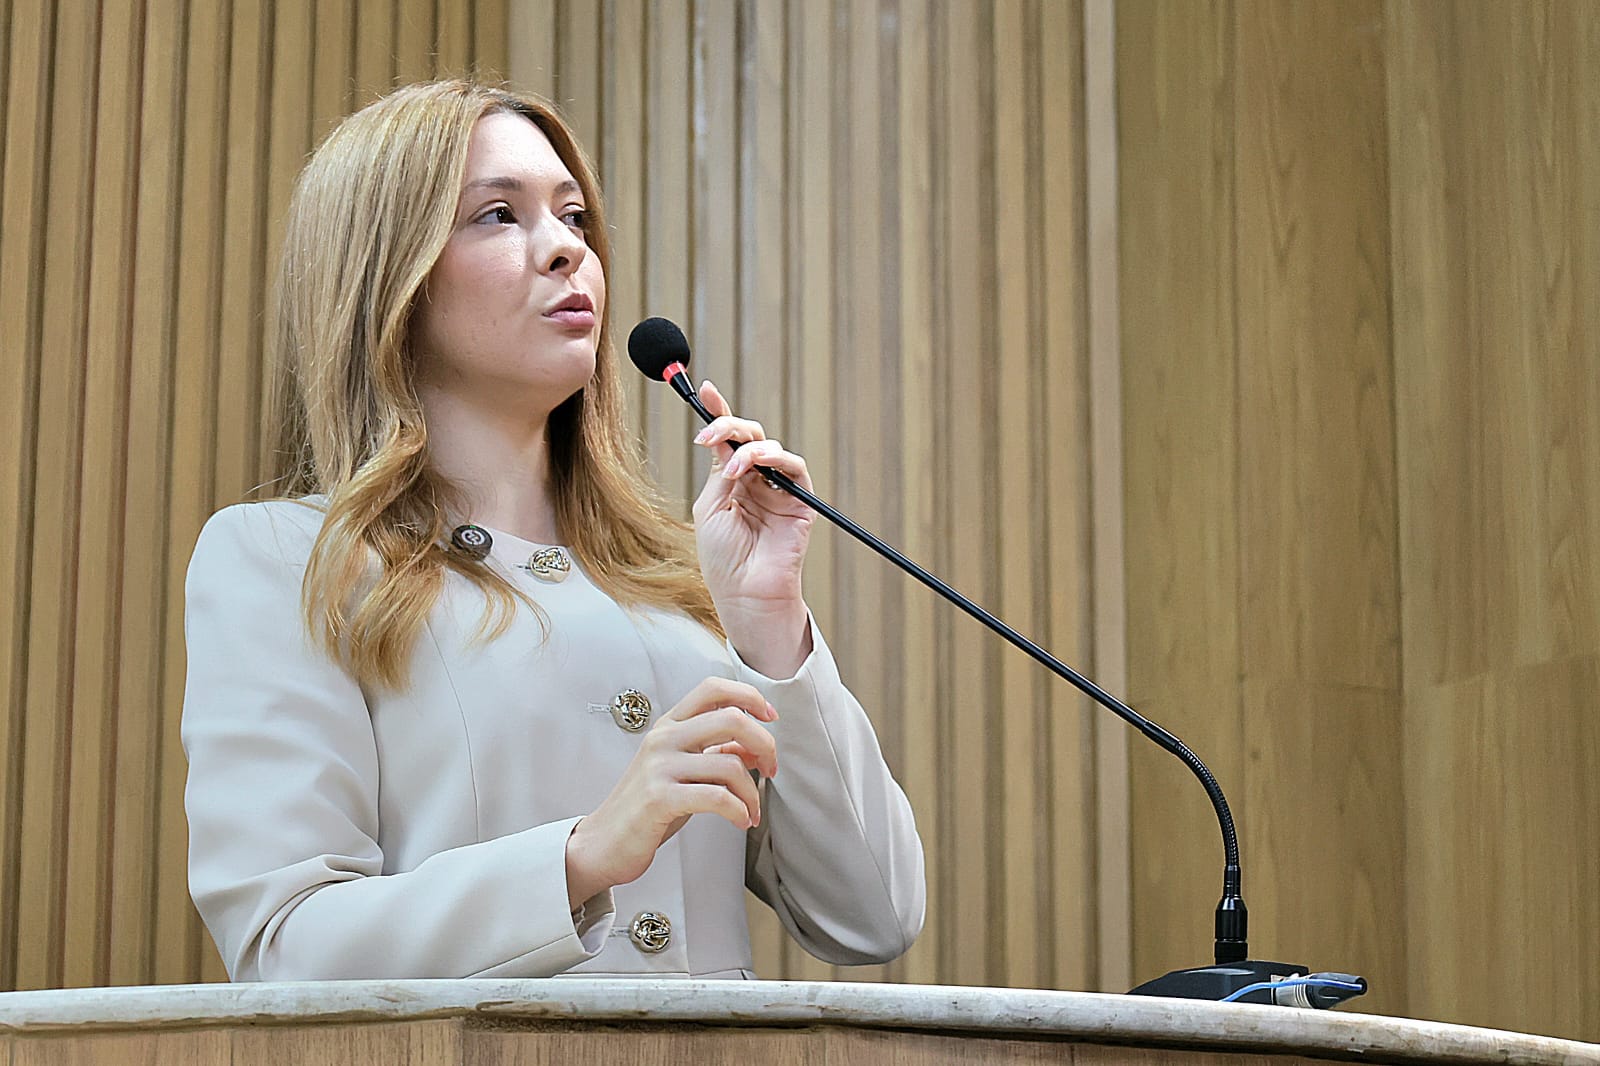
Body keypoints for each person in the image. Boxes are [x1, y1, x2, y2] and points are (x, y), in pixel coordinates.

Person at [180, 80, 924, 982]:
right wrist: (578, 860)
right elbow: (283, 948)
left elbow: (874, 917)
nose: (568, 248)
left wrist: (770, 625)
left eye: (574, 216)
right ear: (387, 277)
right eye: (498, 215)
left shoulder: (680, 580)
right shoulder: (283, 560)